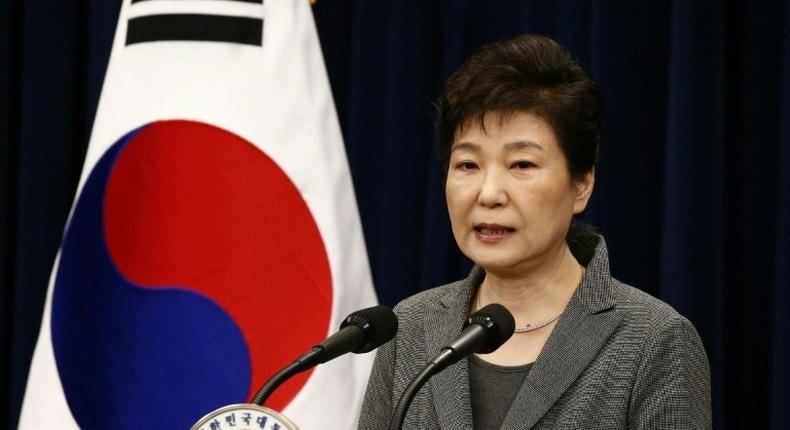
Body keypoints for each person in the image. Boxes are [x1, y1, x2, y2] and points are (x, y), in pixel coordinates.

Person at [357, 34, 711, 429]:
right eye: (468, 165)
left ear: (582, 185)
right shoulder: (410, 328)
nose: (489, 194)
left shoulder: (653, 341)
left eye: (522, 165)